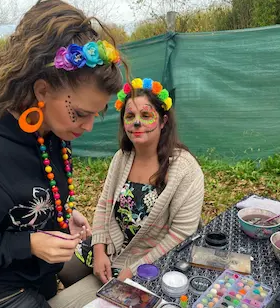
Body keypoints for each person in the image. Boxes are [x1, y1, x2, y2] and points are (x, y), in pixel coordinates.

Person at [0, 0, 125, 308]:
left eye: (97, 114)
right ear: (42, 90)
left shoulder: (52, 125)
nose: (88, 126)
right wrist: (27, 244)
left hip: (40, 267)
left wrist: (60, 214)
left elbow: (32, 189)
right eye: (80, 113)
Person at [72, 77, 204, 284]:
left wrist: (134, 269)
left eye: (146, 115)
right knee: (63, 267)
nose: (136, 122)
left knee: (81, 302)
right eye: (130, 116)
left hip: (151, 260)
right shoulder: (121, 158)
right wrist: (99, 250)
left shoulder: (185, 169)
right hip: (112, 246)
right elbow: (103, 206)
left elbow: (181, 234)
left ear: (163, 121)